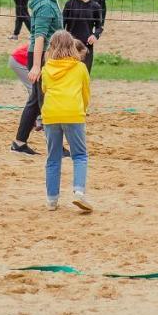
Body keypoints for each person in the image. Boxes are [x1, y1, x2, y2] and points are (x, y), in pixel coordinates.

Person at [11, 0, 68, 156]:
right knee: (46, 102)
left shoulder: (50, 1)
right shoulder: (45, 5)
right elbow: (39, 37)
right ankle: (56, 148)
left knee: (35, 101)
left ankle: (19, 143)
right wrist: (36, 66)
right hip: (41, 56)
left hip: (45, 56)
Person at [40, 31, 92, 212]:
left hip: (51, 114)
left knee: (53, 158)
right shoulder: (80, 68)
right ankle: (78, 193)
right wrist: (83, 110)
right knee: (80, 155)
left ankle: (52, 200)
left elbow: (45, 89)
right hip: (73, 114)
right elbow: (86, 93)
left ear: (52, 47)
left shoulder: (46, 68)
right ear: (72, 46)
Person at [62, 0, 103, 73]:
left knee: (84, 74)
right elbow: (62, 25)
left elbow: (99, 27)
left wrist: (95, 35)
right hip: (71, 45)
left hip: (86, 46)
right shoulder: (69, 4)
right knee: (70, 75)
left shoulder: (95, 6)